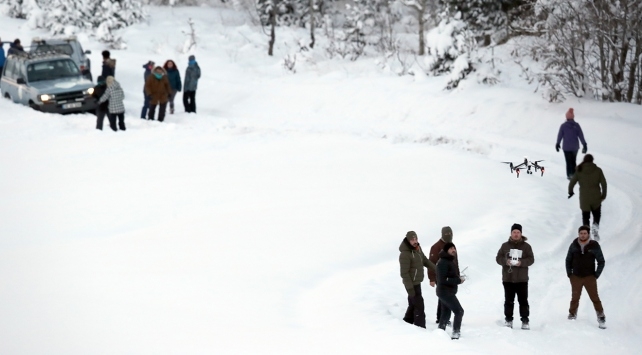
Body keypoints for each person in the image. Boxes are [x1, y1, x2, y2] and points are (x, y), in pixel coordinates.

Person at [565, 225, 606, 329]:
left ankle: (601, 317)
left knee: (595, 298)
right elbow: (568, 260)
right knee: (575, 298)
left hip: (590, 277)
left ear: (588, 234)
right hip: (576, 277)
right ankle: (572, 315)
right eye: (581, 233)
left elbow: (601, 261)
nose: (583, 235)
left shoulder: (594, 245)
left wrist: (596, 275)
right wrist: (570, 274)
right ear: (578, 234)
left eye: (585, 233)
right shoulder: (574, 245)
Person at [496, 223, 535, 330]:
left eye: (518, 232)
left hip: (522, 279)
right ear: (511, 233)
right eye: (514, 232)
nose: (516, 234)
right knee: (508, 300)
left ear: (521, 234)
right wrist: (506, 261)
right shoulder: (505, 246)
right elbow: (498, 258)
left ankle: (525, 320)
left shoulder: (526, 247)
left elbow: (531, 259)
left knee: (523, 301)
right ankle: (508, 320)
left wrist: (521, 262)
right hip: (508, 278)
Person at [399, 231, 436, 329]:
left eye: (416, 239)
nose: (415, 241)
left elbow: (425, 261)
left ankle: (407, 322)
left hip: (417, 282)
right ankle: (420, 328)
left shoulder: (417, 249)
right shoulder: (405, 254)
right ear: (408, 240)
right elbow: (404, 273)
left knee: (413, 304)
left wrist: (436, 269)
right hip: (411, 284)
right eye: (412, 239)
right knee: (419, 306)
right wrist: (409, 287)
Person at [568, 154, 607, 241]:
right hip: (596, 197)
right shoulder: (598, 170)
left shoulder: (579, 170)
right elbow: (604, 184)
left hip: (584, 198)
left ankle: (586, 232)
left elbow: (572, 183)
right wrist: (603, 195)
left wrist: (570, 191)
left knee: (586, 216)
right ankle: (595, 227)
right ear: (592, 160)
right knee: (597, 214)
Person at [428, 226, 459, 324]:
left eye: (450, 234)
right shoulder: (436, 247)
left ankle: (445, 319)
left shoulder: (452, 246)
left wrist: (457, 274)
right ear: (442, 234)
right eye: (446, 234)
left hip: (452, 277)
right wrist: (432, 278)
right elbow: (431, 263)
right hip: (441, 277)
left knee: (448, 297)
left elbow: (455, 262)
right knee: (444, 297)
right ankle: (441, 319)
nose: (449, 235)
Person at [436, 242, 465, 340]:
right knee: (459, 311)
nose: (453, 250)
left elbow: (450, 275)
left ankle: (440, 331)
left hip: (447, 291)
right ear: (446, 250)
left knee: (446, 312)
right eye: (451, 248)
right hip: (445, 292)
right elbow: (443, 279)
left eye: (454, 248)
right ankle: (456, 333)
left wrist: (458, 278)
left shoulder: (449, 260)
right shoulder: (443, 262)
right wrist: (458, 280)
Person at [556, 108, 588, 180]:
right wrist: (584, 144)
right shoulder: (576, 125)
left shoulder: (563, 126)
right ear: (573, 117)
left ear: (566, 117)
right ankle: (574, 174)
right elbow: (581, 135)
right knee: (573, 161)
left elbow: (560, 136)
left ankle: (569, 175)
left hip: (566, 148)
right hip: (575, 147)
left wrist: (557, 143)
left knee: (568, 161)